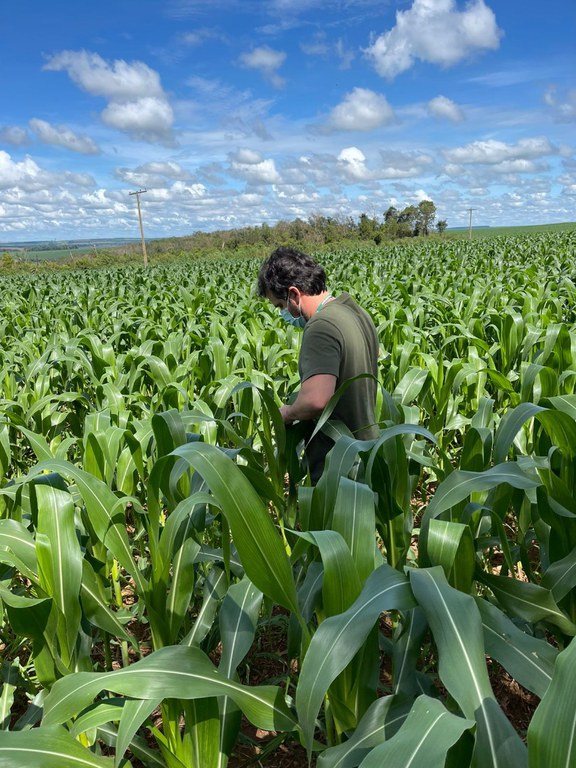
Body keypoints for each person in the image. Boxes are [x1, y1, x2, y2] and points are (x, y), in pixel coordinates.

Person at [257, 246, 379, 483]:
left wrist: (288, 413)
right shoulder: (355, 312)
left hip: (338, 463)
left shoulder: (321, 326)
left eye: (280, 306)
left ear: (294, 294)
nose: (283, 313)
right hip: (366, 450)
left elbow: (316, 400)